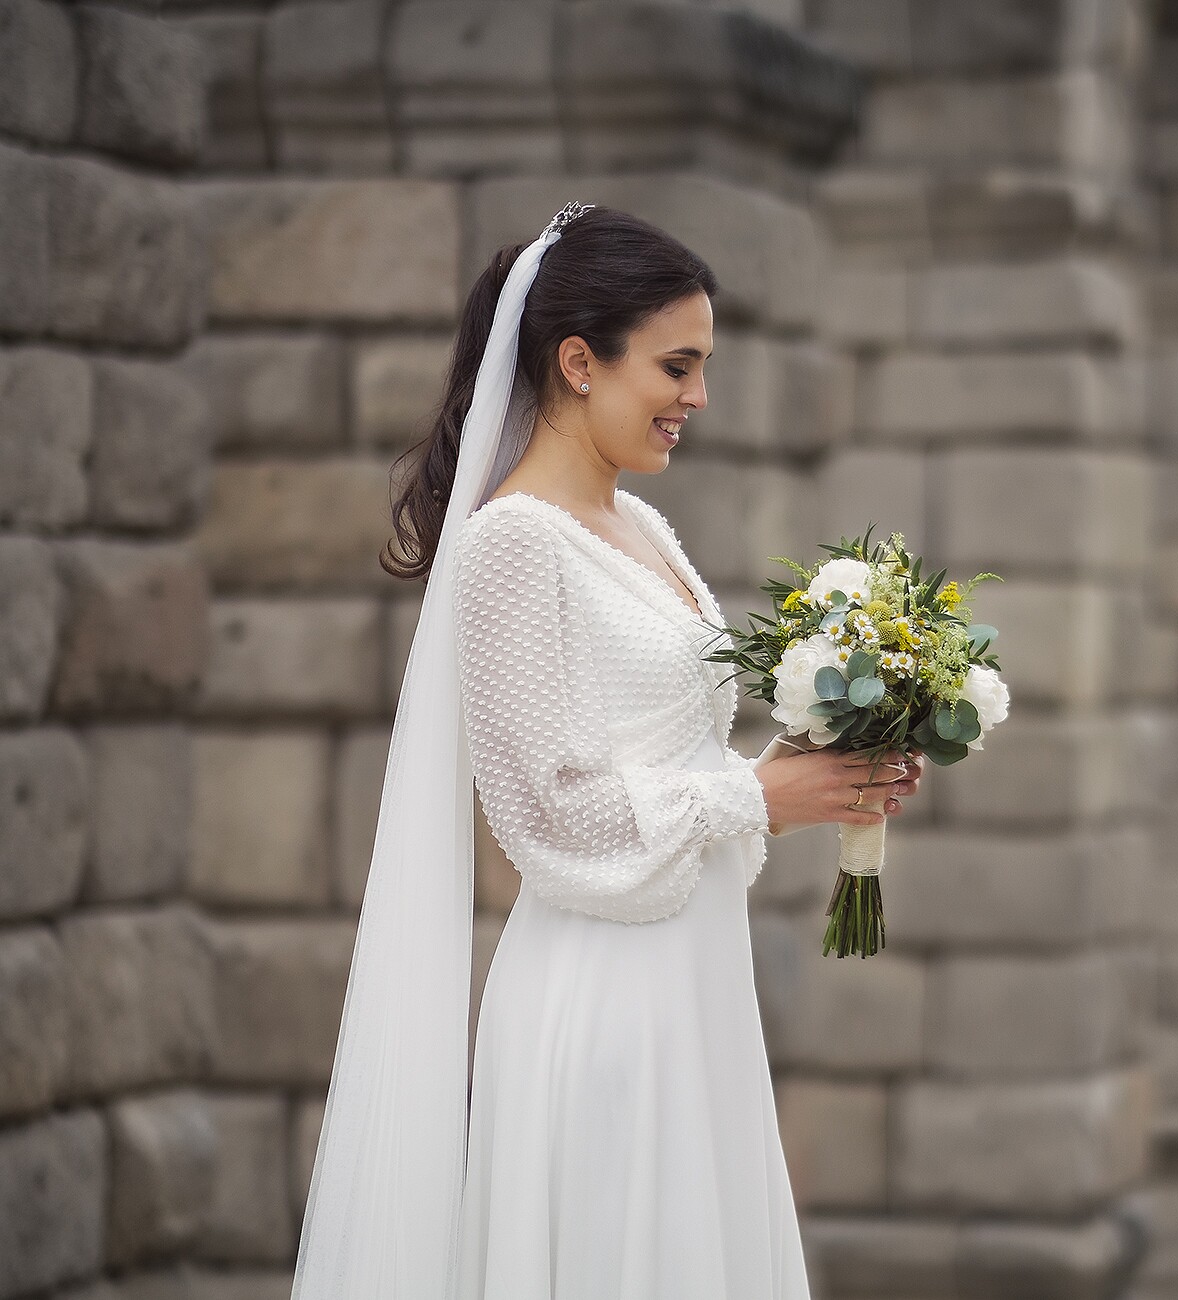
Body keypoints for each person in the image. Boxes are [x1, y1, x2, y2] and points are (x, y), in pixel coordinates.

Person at [289, 202, 920, 1299]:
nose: (699, 398)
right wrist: (762, 798)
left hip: (694, 985)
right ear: (579, 361)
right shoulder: (509, 548)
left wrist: (839, 747)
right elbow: (554, 815)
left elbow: (673, 746)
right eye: (677, 365)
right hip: (605, 1003)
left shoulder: (640, 526)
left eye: (704, 365)